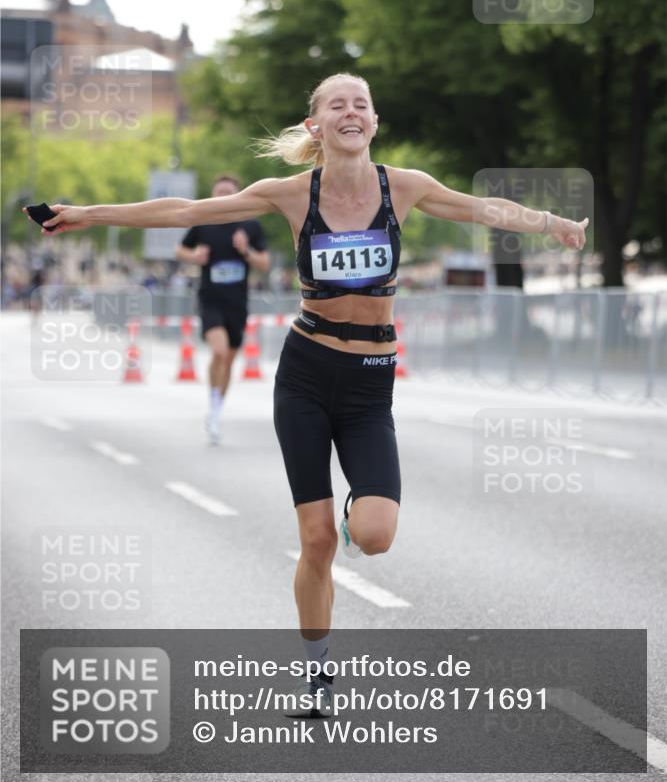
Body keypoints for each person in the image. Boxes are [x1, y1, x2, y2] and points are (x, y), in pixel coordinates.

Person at [25, 72, 589, 716]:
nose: (352, 111)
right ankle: (318, 678)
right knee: (316, 539)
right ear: (316, 126)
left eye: (362, 104)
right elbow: (185, 213)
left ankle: (356, 517)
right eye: (336, 105)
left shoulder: (404, 188)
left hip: (371, 380)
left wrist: (555, 224)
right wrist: (88, 213)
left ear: (374, 122)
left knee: (373, 535)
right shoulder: (291, 195)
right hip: (306, 375)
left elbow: (483, 208)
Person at [175, 175, 270, 444]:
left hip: (237, 303)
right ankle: (214, 406)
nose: (222, 197)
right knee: (218, 351)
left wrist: (246, 251)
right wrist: (193, 257)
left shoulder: (250, 225)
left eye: (228, 193)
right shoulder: (204, 224)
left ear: (238, 196)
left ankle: (215, 409)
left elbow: (264, 263)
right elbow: (180, 249)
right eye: (218, 192)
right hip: (210, 298)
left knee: (228, 359)